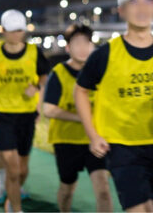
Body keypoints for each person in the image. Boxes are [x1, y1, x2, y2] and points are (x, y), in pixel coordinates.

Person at [75, 0, 153, 213]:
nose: (142, 8)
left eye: (147, 1)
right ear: (121, 11)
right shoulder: (106, 53)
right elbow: (80, 90)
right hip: (123, 147)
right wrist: (93, 135)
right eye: (133, 2)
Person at [0, 9, 50, 212]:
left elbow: (44, 76)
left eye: (19, 30)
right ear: (2, 31)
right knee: (13, 167)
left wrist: (35, 88)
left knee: (22, 168)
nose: (15, 35)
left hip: (26, 114)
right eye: (11, 31)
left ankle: (12, 190)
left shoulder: (34, 52)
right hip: (2, 113)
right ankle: (13, 205)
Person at [43, 24, 112, 212]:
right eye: (77, 43)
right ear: (68, 48)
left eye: (86, 43)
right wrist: (81, 117)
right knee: (67, 189)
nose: (82, 48)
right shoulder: (59, 73)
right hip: (66, 140)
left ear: (92, 46)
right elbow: (48, 109)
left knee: (104, 191)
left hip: (95, 141)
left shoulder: (102, 72)